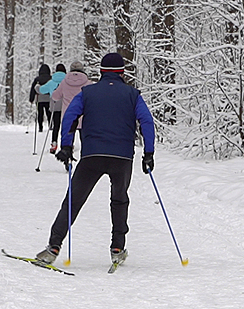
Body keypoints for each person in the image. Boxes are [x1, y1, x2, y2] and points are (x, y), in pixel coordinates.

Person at [35, 53, 155, 267]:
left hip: (92, 155)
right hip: (122, 157)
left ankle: (53, 247)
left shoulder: (87, 93)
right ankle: (117, 248)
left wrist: (66, 145)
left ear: (100, 71)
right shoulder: (132, 94)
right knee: (119, 200)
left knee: (73, 200)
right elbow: (146, 121)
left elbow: (70, 116)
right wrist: (149, 153)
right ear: (123, 72)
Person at [51, 61, 94, 146]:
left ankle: (68, 154)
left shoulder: (64, 82)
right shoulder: (88, 83)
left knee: (67, 144)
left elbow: (55, 97)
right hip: (83, 117)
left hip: (68, 117)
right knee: (85, 143)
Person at [36, 64, 67, 153]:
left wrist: (37, 87)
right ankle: (67, 145)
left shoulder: (51, 82)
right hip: (66, 107)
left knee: (56, 126)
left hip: (55, 107)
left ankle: (54, 143)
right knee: (66, 126)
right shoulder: (67, 82)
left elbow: (41, 90)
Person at [29, 64, 52, 132]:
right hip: (48, 98)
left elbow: (33, 89)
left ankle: (40, 127)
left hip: (39, 99)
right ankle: (50, 125)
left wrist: (31, 99)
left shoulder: (37, 79)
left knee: (40, 113)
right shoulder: (50, 78)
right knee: (49, 113)